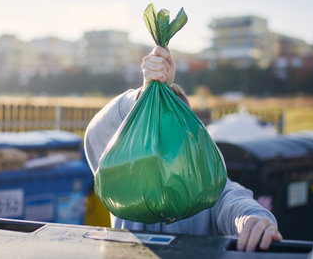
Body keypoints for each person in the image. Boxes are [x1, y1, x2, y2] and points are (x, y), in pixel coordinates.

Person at [84, 46, 283, 252]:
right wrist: (143, 95)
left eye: (177, 137)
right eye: (157, 132)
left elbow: (236, 203)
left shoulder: (210, 187)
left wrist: (254, 220)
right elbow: (95, 135)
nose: (166, 146)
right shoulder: (125, 182)